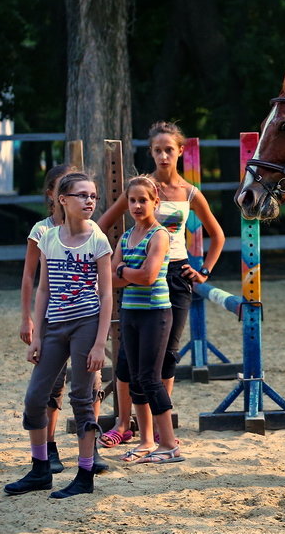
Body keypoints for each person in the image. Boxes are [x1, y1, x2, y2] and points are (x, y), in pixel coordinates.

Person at [96, 121, 224, 448]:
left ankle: (155, 427)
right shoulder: (141, 190)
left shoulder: (189, 193)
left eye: (169, 149)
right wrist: (114, 265)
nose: (163, 156)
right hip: (138, 271)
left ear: (181, 151)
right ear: (150, 152)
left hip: (176, 274)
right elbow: (103, 226)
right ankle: (124, 424)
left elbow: (218, 235)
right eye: (157, 150)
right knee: (127, 354)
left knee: (166, 356)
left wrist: (204, 270)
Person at [5, 172, 112, 498]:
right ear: (61, 200)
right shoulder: (49, 237)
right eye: (81, 195)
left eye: (92, 195)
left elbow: (106, 295)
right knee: (35, 398)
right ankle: (40, 469)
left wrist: (98, 344)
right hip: (54, 326)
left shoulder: (98, 240)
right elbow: (43, 290)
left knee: (82, 399)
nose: (89, 201)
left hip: (85, 325)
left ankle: (84, 473)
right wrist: (36, 334)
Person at [110, 176, 183, 464]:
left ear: (156, 202)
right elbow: (112, 278)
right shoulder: (127, 236)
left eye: (143, 200)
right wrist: (128, 273)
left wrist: (123, 271)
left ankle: (170, 444)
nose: (138, 205)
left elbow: (149, 276)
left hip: (155, 312)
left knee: (151, 379)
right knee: (133, 376)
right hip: (130, 311)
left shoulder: (160, 234)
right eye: (132, 200)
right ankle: (146, 441)